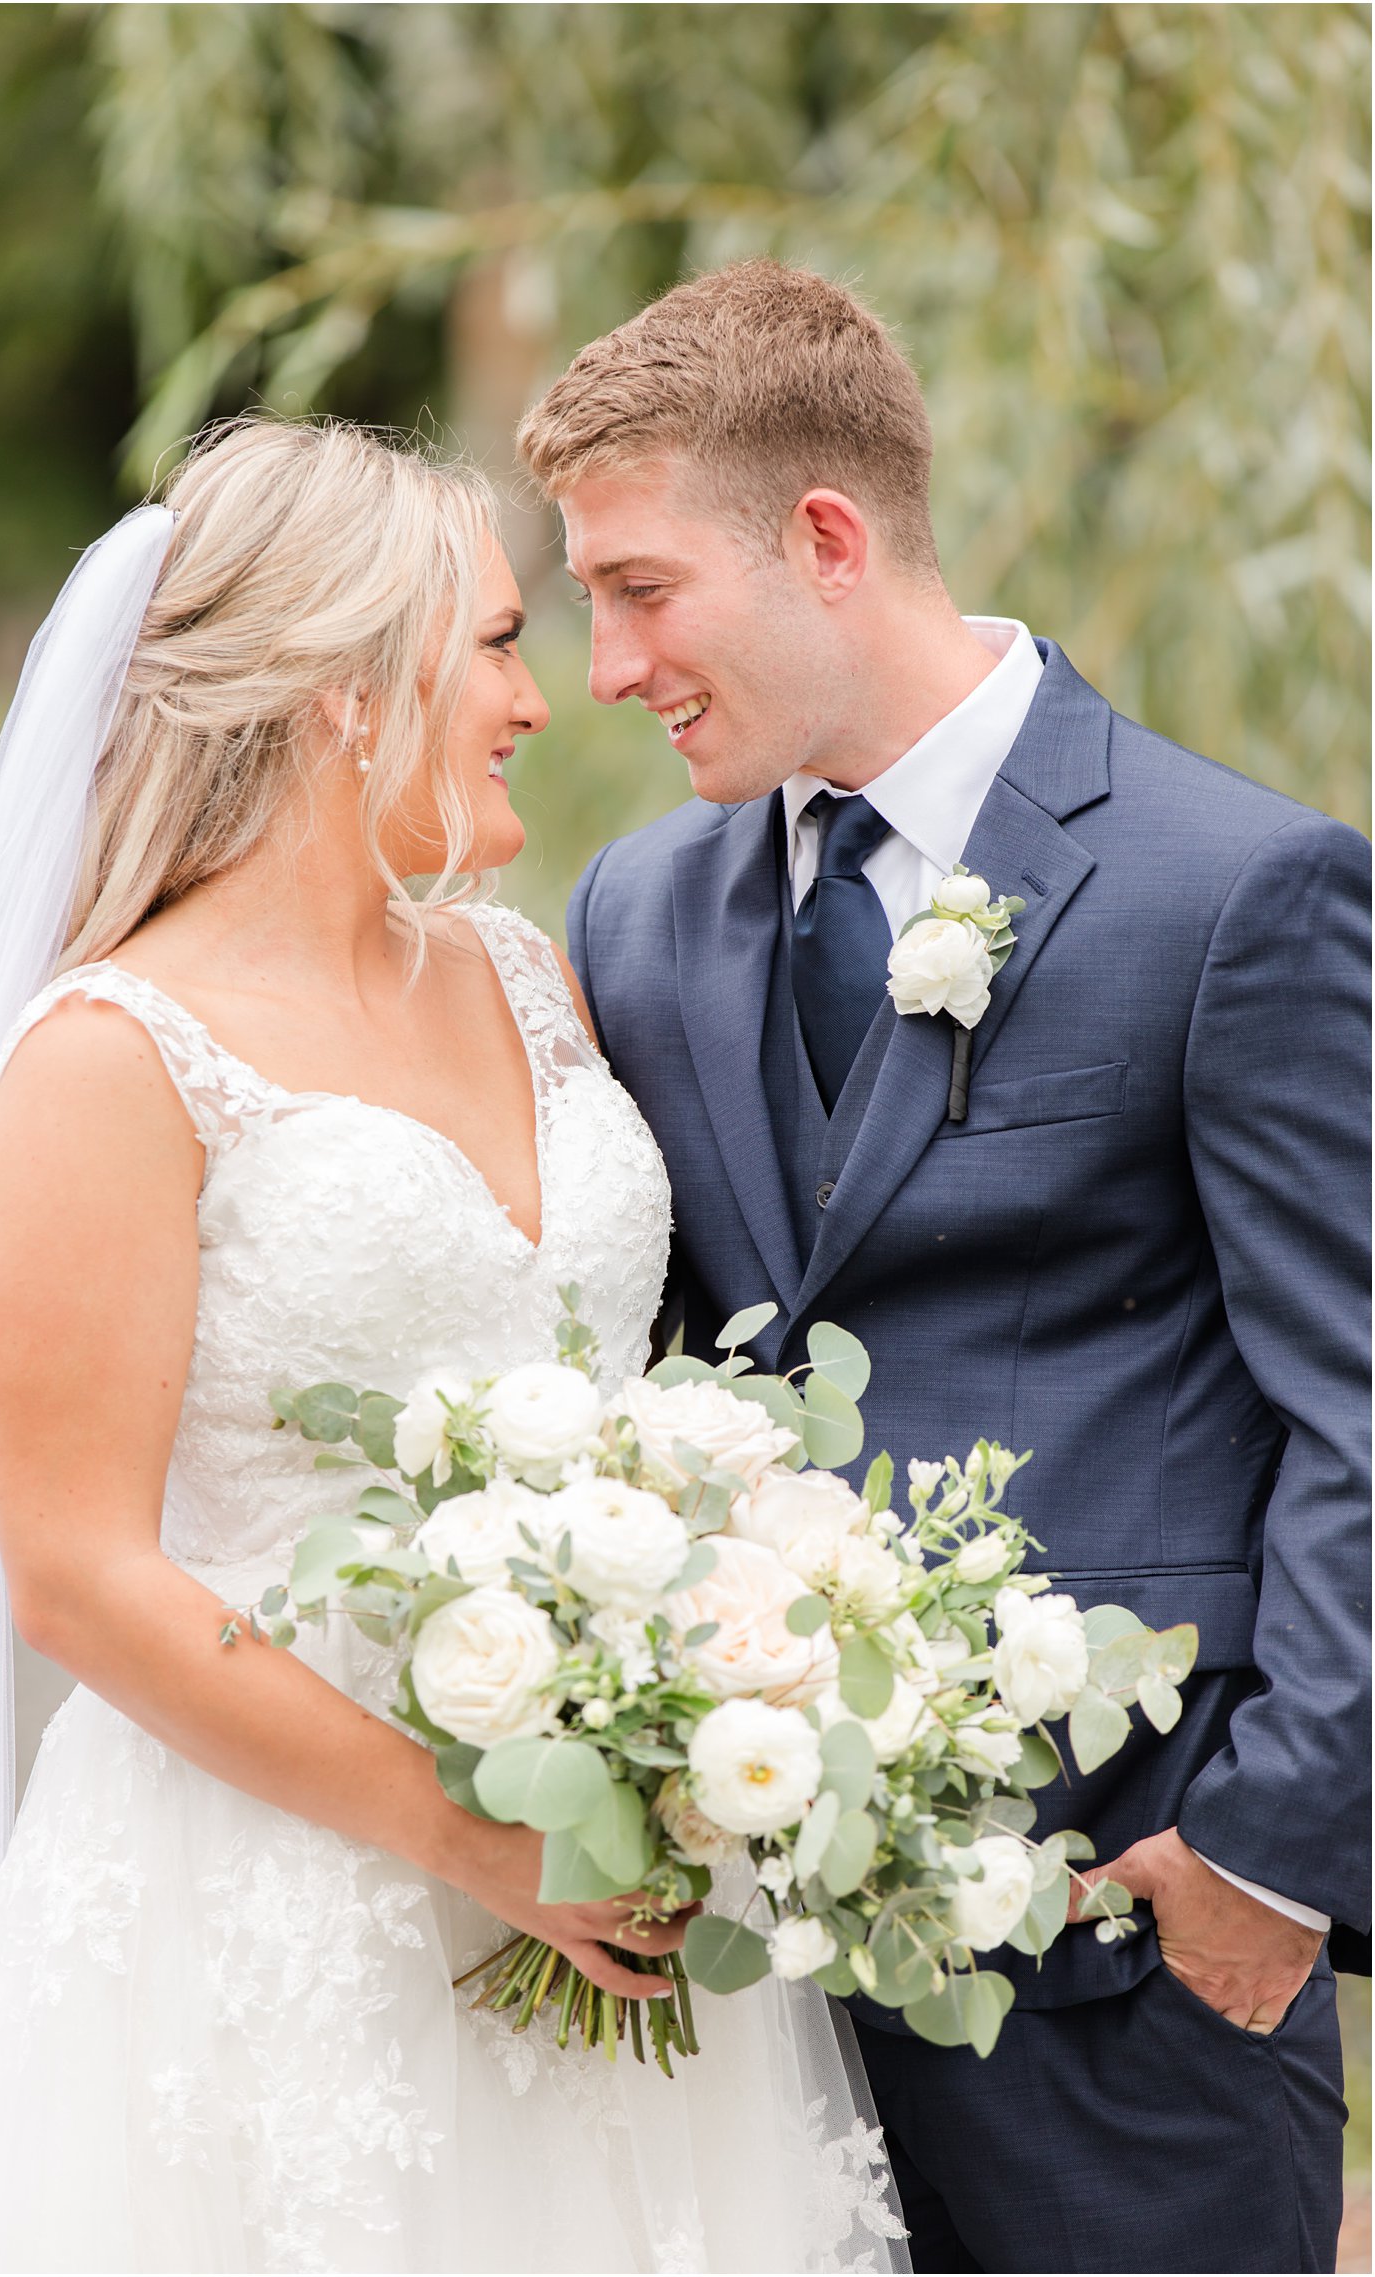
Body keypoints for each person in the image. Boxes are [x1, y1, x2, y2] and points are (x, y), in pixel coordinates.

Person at [0, 417, 907, 2274]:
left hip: (614, 1863)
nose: (542, 695)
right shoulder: (108, 1060)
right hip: (273, 1914)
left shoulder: (520, 974)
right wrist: (487, 1843)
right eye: (499, 642)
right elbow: (79, 1577)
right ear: (347, 687)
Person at [519, 260, 1371, 2275]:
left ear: (824, 540)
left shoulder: (1233, 888)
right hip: (739, 1998)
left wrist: (1271, 1849)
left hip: (1126, 1954)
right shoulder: (635, 907)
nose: (607, 662)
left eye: (640, 588)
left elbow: (1359, 1399)